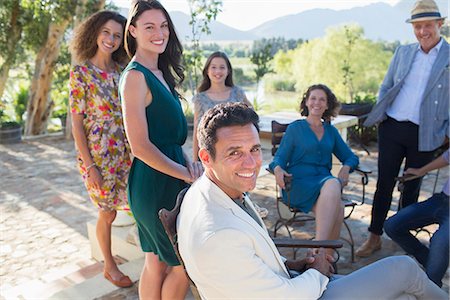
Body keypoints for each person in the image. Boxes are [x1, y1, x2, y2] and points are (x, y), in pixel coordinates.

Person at [177, 102, 447, 300]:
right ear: (205, 157)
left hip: (289, 282)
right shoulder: (218, 234)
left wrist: (291, 265)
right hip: (300, 294)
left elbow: (246, 262)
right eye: (234, 153)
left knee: (406, 290)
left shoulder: (213, 191)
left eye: (255, 149)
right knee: (405, 269)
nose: (251, 163)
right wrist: (316, 271)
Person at [119, 1, 202, 299]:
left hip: (172, 175)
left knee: (157, 262)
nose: (159, 33)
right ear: (133, 31)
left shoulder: (161, 73)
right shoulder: (135, 77)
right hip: (152, 183)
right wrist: (184, 172)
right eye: (149, 27)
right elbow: (140, 146)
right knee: (181, 263)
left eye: (164, 25)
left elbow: (171, 137)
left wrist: (190, 165)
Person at [358, 0, 449, 257]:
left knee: (412, 186)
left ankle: (401, 240)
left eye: (428, 25)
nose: (422, 31)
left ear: (440, 24)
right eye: (417, 26)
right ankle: (374, 236)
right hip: (393, 127)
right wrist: (382, 111)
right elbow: (386, 86)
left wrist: (446, 134)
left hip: (426, 134)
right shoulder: (403, 52)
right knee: (384, 184)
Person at [69, 10, 133, 288]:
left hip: (127, 153)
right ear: (94, 32)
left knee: (136, 204)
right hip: (98, 157)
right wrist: (90, 165)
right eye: (106, 32)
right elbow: (77, 125)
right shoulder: (81, 73)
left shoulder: (122, 73)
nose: (111, 39)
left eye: (117, 35)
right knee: (107, 213)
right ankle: (109, 265)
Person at [269, 84, 359, 252]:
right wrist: (278, 170)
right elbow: (279, 158)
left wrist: (346, 167)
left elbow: (351, 157)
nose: (317, 103)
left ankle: (324, 259)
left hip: (323, 188)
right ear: (307, 102)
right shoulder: (295, 128)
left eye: (322, 99)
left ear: (327, 105)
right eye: (313, 98)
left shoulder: (330, 131)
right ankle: (319, 249)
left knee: (338, 207)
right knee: (333, 185)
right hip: (297, 185)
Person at [385, 149, 449, 287]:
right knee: (392, 225)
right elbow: (447, 157)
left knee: (440, 241)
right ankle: (430, 262)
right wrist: (421, 171)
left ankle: (431, 287)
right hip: (442, 200)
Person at [192, 51, 252, 162]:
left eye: (222, 67)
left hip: (236, 154)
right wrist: (196, 161)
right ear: (207, 71)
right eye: (213, 67)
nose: (218, 71)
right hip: (211, 155)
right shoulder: (200, 99)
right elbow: (197, 131)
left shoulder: (237, 93)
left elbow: (252, 118)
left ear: (228, 71)